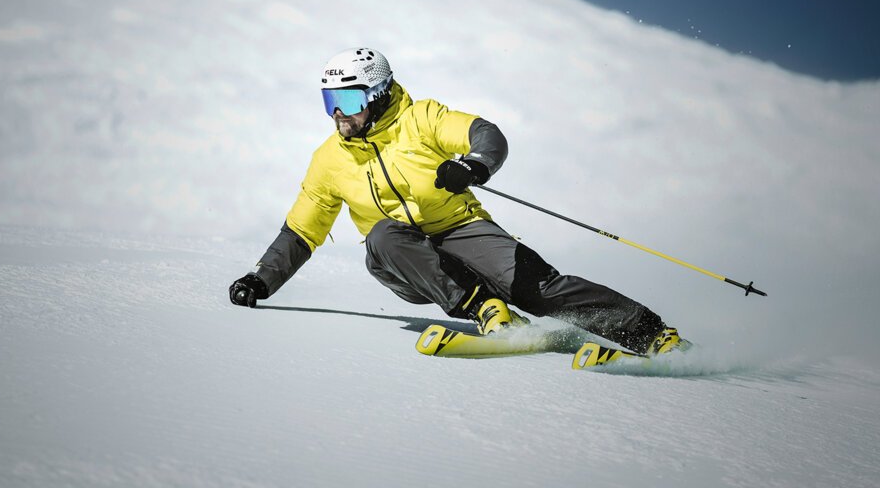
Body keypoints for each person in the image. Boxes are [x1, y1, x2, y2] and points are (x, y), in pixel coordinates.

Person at [229, 48, 685, 355]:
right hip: (402, 261)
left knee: (539, 288)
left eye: (346, 98)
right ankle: (484, 309)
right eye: (330, 99)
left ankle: (653, 335)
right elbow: (302, 230)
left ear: (376, 92)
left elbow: (485, 134)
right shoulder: (329, 160)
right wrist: (260, 281)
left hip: (461, 229)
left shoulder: (421, 118)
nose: (337, 113)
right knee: (384, 233)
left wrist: (475, 166)